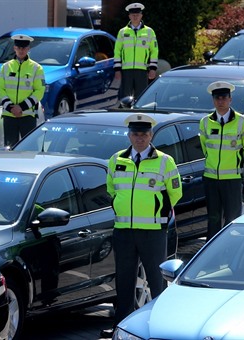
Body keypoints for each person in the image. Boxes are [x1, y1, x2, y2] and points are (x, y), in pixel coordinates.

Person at [101, 113, 182, 338]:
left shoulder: (165, 160)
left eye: (144, 134)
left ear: (151, 135)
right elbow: (111, 190)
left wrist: (160, 214)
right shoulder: (116, 159)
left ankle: (159, 326)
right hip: (124, 231)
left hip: (154, 231)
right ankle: (122, 326)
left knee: (157, 281)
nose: (140, 138)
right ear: (129, 136)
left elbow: (175, 192)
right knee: (124, 280)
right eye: (136, 134)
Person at [199, 81, 244, 240]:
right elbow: (205, 147)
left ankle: (230, 252)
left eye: (224, 97)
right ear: (213, 100)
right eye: (217, 98)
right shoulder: (205, 122)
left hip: (232, 179)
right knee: (213, 219)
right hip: (211, 179)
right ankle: (212, 254)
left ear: (230, 99)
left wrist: (240, 165)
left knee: (232, 220)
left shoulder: (242, 122)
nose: (220, 101)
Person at [0, 34, 45, 147]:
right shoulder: (5, 67)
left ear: (28, 49)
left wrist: (21, 107)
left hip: (28, 116)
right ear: (14, 48)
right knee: (10, 149)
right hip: (9, 115)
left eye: (23, 48)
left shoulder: (36, 68)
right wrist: (10, 108)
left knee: (29, 149)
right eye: (18, 47)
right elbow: (0, 89)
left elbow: (39, 91)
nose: (21, 50)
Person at [113, 3, 158, 99]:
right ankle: (125, 114)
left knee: (141, 98)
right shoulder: (122, 32)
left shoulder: (149, 31)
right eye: (133, 15)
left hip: (142, 70)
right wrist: (117, 69)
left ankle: (139, 114)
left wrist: (153, 68)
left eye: (137, 14)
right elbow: (117, 51)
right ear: (129, 16)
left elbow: (154, 51)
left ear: (141, 15)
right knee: (125, 98)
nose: (135, 17)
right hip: (126, 71)